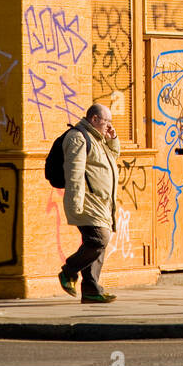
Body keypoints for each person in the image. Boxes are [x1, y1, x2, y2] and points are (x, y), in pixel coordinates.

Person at [58, 102, 120, 303]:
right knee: (98, 240)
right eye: (106, 121)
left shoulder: (98, 138)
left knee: (99, 244)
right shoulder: (78, 138)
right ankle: (69, 270)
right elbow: (74, 172)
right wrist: (76, 202)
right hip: (88, 202)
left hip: (102, 203)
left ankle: (91, 289)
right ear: (94, 119)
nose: (109, 126)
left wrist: (113, 140)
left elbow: (112, 159)